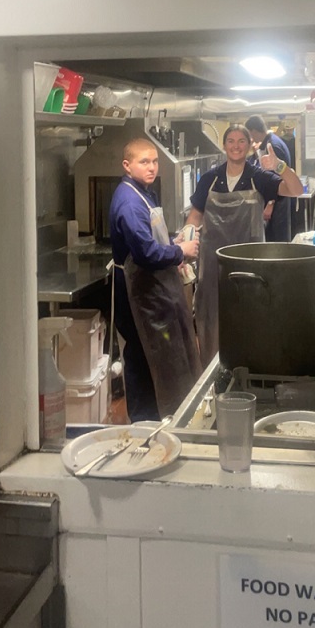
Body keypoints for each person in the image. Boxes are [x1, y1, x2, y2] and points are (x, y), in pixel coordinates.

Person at [187, 124, 303, 367]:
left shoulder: (258, 176)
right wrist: (187, 235)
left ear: (251, 145)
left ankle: (247, 373)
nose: (236, 145)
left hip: (249, 265)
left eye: (241, 141)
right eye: (231, 140)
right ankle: (213, 376)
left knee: (249, 318)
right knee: (212, 320)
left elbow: (296, 189)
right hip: (212, 267)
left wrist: (280, 166)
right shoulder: (210, 178)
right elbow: (196, 214)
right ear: (224, 145)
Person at [109, 137, 201, 422]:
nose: (151, 168)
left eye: (154, 161)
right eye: (143, 162)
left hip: (153, 288)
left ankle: (163, 416)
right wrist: (179, 251)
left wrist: (170, 242)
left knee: (156, 355)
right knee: (140, 355)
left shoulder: (144, 192)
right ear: (127, 165)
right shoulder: (128, 202)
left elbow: (150, 240)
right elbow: (146, 252)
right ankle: (143, 424)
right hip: (136, 292)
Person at [244, 115, 293, 242]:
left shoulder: (273, 146)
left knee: (277, 240)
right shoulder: (271, 141)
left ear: (253, 131)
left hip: (277, 202)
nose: (251, 139)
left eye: (249, 134)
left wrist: (270, 204)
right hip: (277, 200)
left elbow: (275, 177)